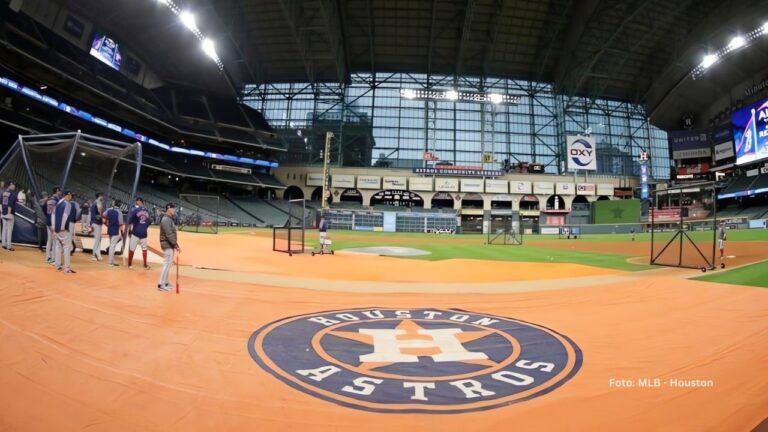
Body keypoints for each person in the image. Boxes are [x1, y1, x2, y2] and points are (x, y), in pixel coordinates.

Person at [52, 190, 76, 273]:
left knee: (58, 246)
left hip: (56, 228)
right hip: (63, 229)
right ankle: (67, 268)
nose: (71, 197)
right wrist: (62, 228)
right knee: (67, 247)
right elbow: (65, 217)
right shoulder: (68, 204)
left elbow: (53, 215)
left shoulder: (59, 202)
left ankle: (57, 266)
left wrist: (55, 228)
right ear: (68, 195)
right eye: (70, 195)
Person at [158, 203, 180, 292]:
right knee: (167, 264)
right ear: (169, 209)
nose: (175, 210)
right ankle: (161, 284)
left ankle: (166, 282)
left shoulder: (169, 219)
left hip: (169, 244)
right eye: (173, 208)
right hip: (167, 243)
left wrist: (174, 244)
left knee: (168, 264)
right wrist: (175, 244)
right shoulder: (166, 220)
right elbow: (169, 234)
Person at [127, 197, 151, 270]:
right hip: (144, 233)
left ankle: (130, 264)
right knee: (144, 249)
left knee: (132, 249)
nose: (137, 203)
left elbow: (129, 222)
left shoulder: (135, 210)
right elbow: (149, 222)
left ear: (140, 202)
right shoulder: (147, 211)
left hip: (135, 232)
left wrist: (129, 230)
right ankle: (145, 265)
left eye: (137, 201)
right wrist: (144, 228)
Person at [103, 200, 124, 267]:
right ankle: (110, 262)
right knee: (113, 245)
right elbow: (120, 223)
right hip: (116, 229)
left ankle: (112, 260)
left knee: (112, 245)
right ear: (120, 205)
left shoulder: (109, 210)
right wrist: (122, 231)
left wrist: (107, 221)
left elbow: (103, 215)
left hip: (110, 229)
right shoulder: (119, 212)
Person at [45, 187, 62, 264]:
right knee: (55, 241)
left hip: (48, 221)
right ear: (57, 191)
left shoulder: (48, 199)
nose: (61, 192)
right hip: (54, 222)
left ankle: (48, 257)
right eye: (59, 190)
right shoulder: (57, 200)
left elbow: (44, 209)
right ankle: (53, 259)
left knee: (49, 241)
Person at [1, 181, 18, 251]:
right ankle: (8, 246)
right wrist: (8, 213)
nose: (14, 186)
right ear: (9, 185)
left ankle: (3, 244)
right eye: (13, 185)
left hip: (3, 213)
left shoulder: (3, 192)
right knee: (9, 230)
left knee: (4, 229)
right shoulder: (13, 193)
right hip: (9, 214)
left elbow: (0, 203)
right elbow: (10, 204)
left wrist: (2, 212)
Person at [90, 193, 105, 261]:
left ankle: (98, 254)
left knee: (99, 239)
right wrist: (101, 217)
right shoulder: (95, 204)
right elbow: (94, 215)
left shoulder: (98, 204)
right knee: (97, 239)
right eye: (101, 196)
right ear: (99, 197)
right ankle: (93, 255)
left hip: (97, 223)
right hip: (96, 223)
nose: (102, 197)